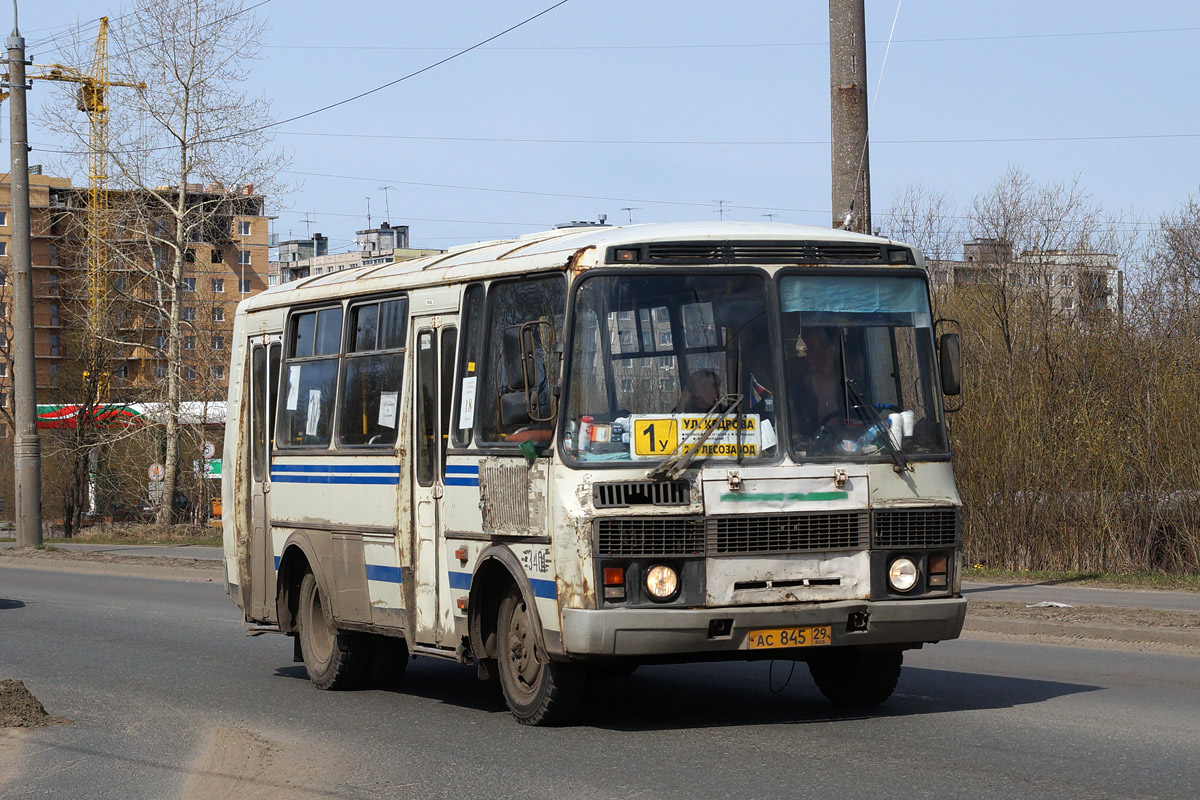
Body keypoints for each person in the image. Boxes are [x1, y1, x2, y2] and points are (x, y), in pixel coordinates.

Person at [790, 327, 846, 438]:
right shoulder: (799, 388)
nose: (807, 355)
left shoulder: (849, 386)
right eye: (806, 351)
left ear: (829, 351)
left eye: (813, 349)